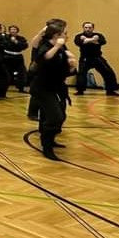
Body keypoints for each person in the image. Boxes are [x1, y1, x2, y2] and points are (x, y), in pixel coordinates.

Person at [29, 20, 77, 160]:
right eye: (64, 34)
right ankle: (47, 147)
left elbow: (63, 70)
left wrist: (72, 66)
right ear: (56, 35)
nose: (66, 36)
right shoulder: (45, 46)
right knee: (55, 117)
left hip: (56, 87)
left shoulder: (61, 49)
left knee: (57, 115)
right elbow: (44, 58)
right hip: (42, 88)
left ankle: (50, 140)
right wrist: (57, 46)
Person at [73, 22, 119, 96]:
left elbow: (103, 42)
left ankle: (110, 91)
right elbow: (78, 43)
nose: (88, 29)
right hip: (85, 58)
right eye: (86, 27)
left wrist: (86, 40)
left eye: (89, 28)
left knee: (108, 72)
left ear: (93, 28)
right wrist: (93, 40)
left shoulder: (99, 35)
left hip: (97, 57)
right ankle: (80, 91)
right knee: (81, 74)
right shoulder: (79, 36)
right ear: (83, 28)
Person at [1, 25, 29, 94]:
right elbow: (3, 44)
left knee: (22, 72)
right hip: (7, 56)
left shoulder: (21, 38)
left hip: (18, 57)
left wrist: (16, 42)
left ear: (17, 31)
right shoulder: (5, 37)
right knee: (6, 73)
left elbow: (25, 46)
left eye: (14, 29)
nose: (13, 31)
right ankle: (4, 88)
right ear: (9, 31)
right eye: (11, 29)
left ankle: (21, 88)